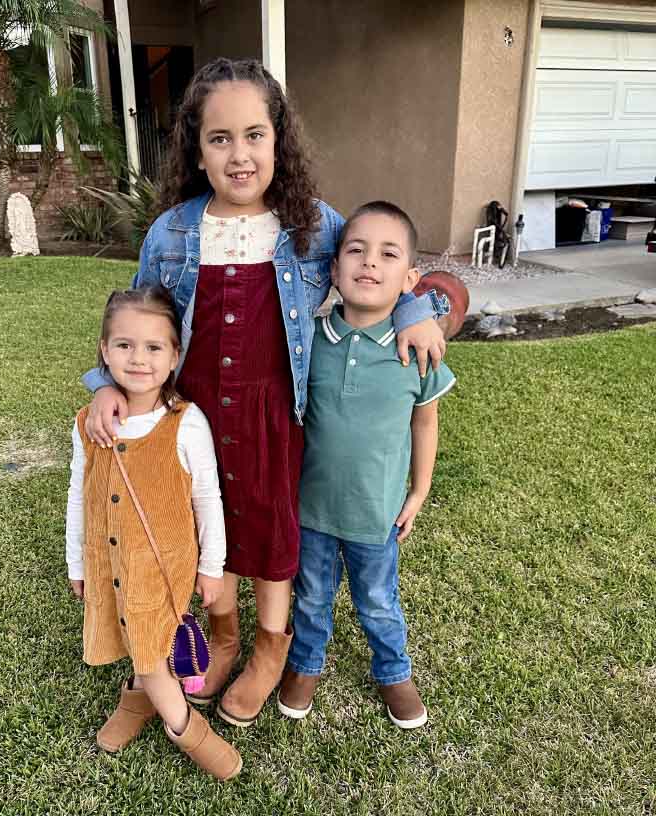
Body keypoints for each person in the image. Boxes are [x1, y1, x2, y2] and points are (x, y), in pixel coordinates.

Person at [81, 58, 450, 728]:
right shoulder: (172, 233)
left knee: (271, 525)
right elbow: (134, 318)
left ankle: (269, 651)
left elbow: (378, 262)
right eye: (220, 138)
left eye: (255, 135)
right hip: (192, 417)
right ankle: (222, 636)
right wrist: (107, 384)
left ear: (279, 139)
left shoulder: (313, 224)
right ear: (196, 148)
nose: (240, 154)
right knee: (204, 522)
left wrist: (414, 308)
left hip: (276, 416)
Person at [277, 201, 456, 729]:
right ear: (334, 270)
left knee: (378, 601)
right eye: (355, 250)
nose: (369, 263)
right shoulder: (307, 341)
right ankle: (306, 664)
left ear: (410, 279)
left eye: (387, 254)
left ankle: (393, 671)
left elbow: (425, 423)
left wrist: (419, 491)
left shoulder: (416, 350)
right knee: (310, 598)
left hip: (376, 516)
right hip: (311, 511)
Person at [65, 287, 241, 780]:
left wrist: (212, 567)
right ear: (104, 350)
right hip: (108, 561)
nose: (137, 359)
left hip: (162, 566)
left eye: (153, 348)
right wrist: (77, 565)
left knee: (149, 645)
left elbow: (208, 499)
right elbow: (79, 494)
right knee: (134, 637)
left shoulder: (187, 424)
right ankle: (137, 699)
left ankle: (188, 729)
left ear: (174, 357)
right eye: (123, 345)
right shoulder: (87, 423)